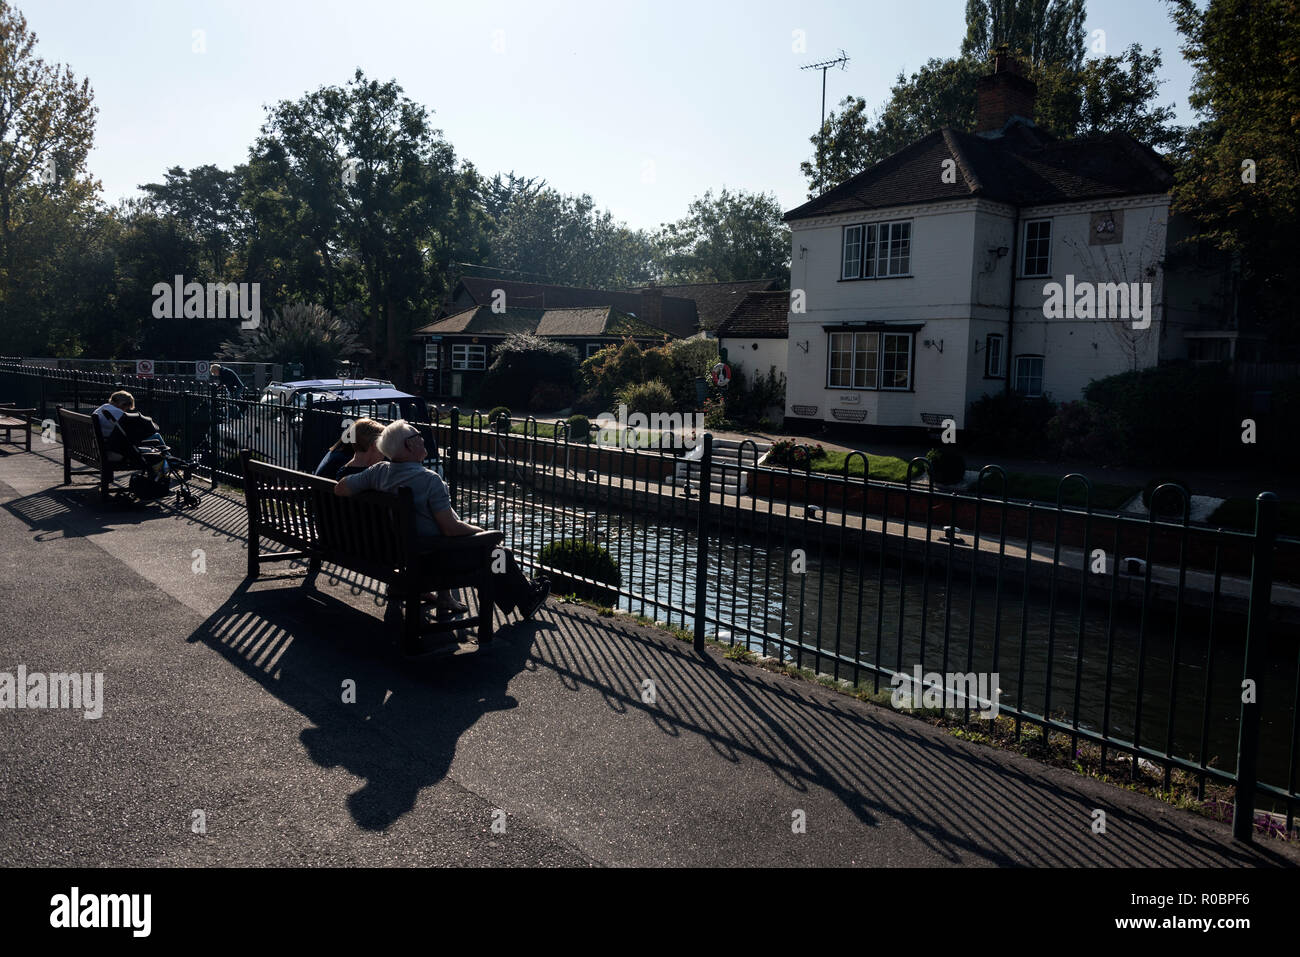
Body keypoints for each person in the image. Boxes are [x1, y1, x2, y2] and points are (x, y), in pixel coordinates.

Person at [333, 419, 549, 622]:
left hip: (406, 556)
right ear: (408, 446)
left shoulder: (379, 471)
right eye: (418, 436)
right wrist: (481, 531)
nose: (423, 438)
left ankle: (522, 597)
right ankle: (525, 600)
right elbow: (450, 529)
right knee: (499, 554)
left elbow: (339, 487)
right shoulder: (430, 480)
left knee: (493, 554)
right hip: (434, 559)